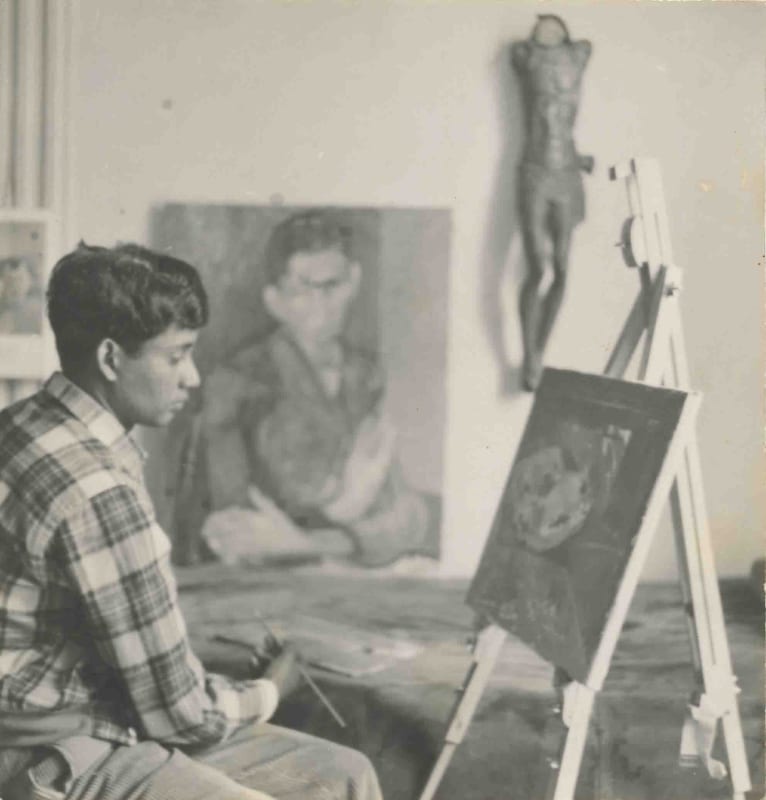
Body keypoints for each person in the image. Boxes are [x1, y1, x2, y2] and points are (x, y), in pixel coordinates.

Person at [0, 242, 383, 800]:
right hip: (46, 751)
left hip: (62, 713)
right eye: (177, 355)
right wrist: (269, 691)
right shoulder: (98, 490)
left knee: (346, 775)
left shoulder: (21, 422)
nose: (193, 378)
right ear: (111, 359)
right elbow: (182, 718)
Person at [202, 211, 440, 568]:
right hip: (272, 590)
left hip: (352, 577)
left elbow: (408, 520)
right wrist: (346, 513)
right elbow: (233, 533)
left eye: (332, 286)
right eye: (301, 290)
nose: (321, 306)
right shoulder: (236, 381)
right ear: (274, 300)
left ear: (354, 282)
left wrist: (301, 542)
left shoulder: (366, 377)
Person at [512, 14, 594, 391]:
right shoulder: (526, 58)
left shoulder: (578, 57)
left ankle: (538, 353)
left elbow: (585, 47)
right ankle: (530, 353)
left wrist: (579, 159)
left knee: (562, 268)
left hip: (565, 174)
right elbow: (519, 51)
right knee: (537, 268)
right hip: (535, 171)